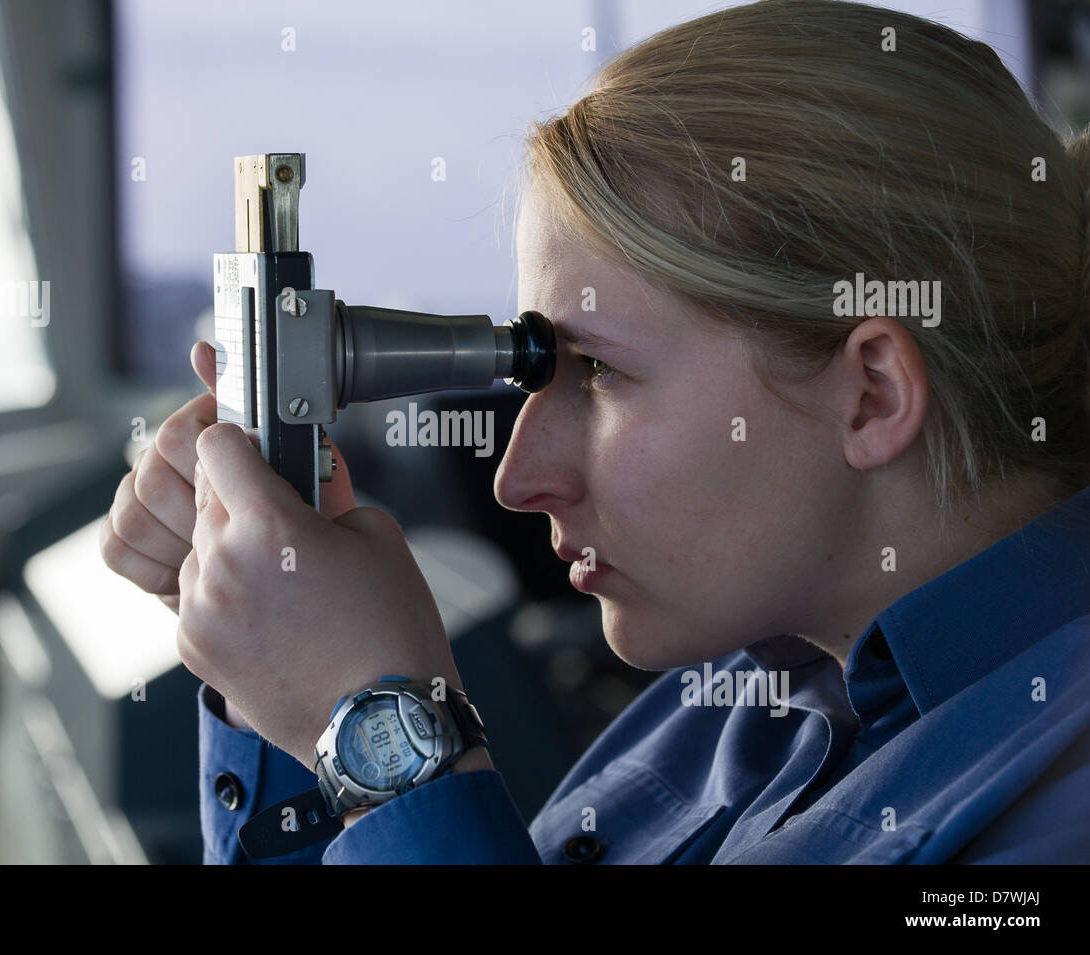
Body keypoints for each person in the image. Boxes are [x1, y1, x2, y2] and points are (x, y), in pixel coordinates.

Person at [100, 0, 1090, 864]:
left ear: (870, 393)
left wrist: (381, 731)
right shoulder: (733, 696)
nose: (518, 478)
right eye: (538, 366)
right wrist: (280, 693)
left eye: (601, 371)